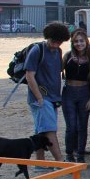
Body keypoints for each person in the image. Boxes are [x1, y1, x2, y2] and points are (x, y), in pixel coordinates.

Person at [25, 22, 70, 170]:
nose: (56, 44)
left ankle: (40, 163)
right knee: (50, 129)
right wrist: (39, 98)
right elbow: (29, 75)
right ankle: (59, 162)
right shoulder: (37, 50)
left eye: (59, 42)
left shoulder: (58, 51)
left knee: (41, 130)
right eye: (53, 41)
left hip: (52, 97)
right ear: (48, 37)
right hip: (42, 98)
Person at [61, 29, 90, 164]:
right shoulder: (68, 56)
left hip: (84, 92)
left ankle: (81, 153)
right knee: (71, 126)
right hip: (69, 92)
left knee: (82, 125)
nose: (79, 44)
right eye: (76, 41)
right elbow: (58, 71)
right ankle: (69, 153)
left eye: (81, 41)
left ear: (86, 42)